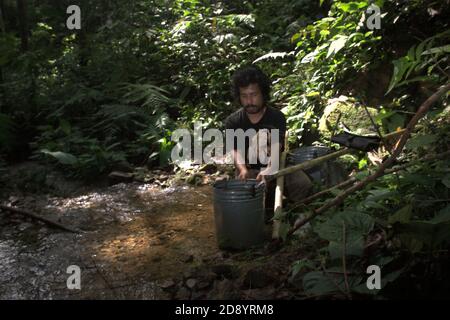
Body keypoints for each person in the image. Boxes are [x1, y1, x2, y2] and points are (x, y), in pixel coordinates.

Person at [224, 66, 286, 218]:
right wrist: (242, 169)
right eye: (244, 96)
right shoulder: (233, 121)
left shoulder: (276, 117)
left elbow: (277, 147)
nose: (249, 101)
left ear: (263, 94)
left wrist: (269, 169)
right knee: (246, 201)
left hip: (275, 165)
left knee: (301, 184)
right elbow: (234, 150)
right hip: (248, 169)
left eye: (253, 95)